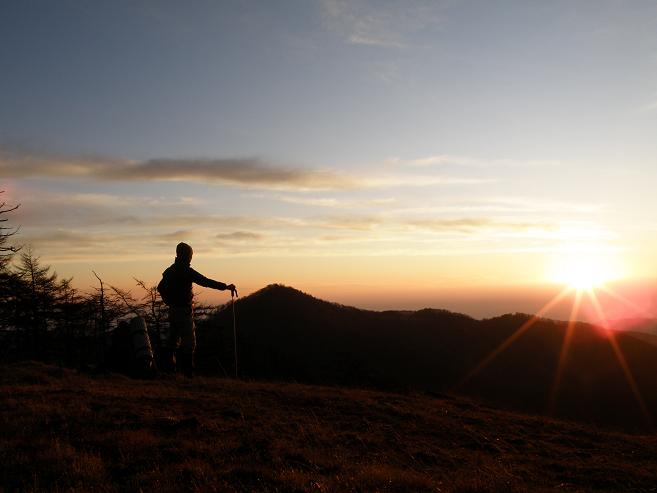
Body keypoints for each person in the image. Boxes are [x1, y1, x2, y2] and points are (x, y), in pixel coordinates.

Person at [158, 242, 237, 376]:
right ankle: (188, 373)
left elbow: (160, 288)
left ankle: (169, 370)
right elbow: (205, 282)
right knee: (189, 343)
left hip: (173, 310)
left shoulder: (170, 270)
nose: (191, 257)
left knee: (173, 341)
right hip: (184, 311)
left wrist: (168, 301)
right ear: (186, 255)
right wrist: (226, 286)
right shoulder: (186, 271)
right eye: (190, 255)